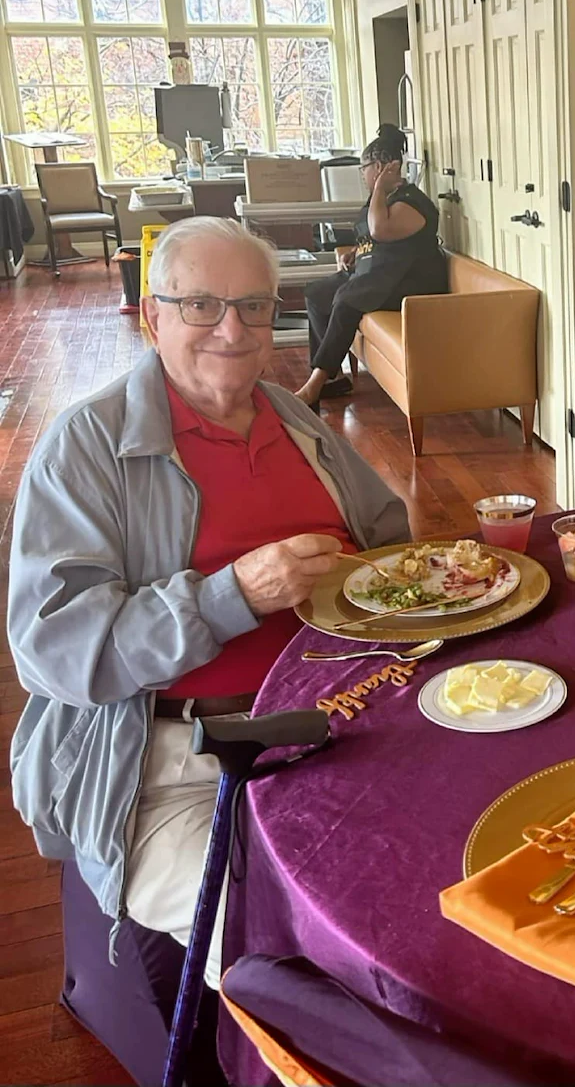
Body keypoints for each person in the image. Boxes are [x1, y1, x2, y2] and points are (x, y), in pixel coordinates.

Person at [7, 217, 410, 987]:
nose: (232, 330)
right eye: (201, 305)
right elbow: (55, 651)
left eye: (254, 306)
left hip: (343, 721)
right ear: (152, 315)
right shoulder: (87, 448)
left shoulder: (292, 418)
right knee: (305, 956)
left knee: (445, 879)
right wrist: (233, 597)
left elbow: (388, 537)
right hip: (171, 768)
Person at [296, 125, 448, 407]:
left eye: (364, 168)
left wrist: (379, 186)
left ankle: (314, 386)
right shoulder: (383, 199)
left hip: (411, 281)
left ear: (379, 167)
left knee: (346, 300)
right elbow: (373, 238)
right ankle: (331, 380)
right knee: (317, 293)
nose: (362, 174)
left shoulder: (412, 203)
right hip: (379, 274)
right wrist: (356, 252)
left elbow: (380, 230)